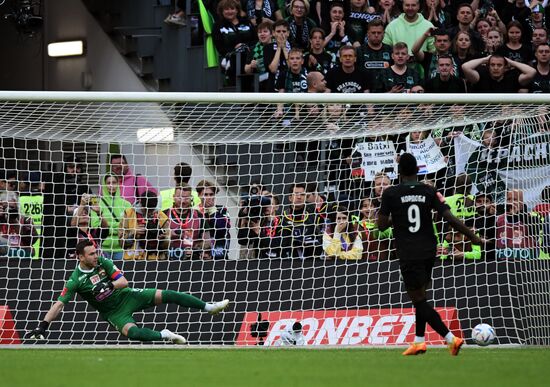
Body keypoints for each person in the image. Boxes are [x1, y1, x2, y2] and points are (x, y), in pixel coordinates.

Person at [377, 153, 483, 356]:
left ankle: (451, 339)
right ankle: (419, 341)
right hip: (429, 250)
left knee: (417, 299)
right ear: (418, 171)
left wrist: (397, 215)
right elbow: (449, 218)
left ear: (399, 173)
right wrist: (473, 237)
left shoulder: (390, 194)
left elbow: (381, 226)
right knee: (422, 296)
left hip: (408, 252)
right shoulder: (429, 191)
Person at [28, 240, 230, 343]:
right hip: (113, 312)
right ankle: (165, 335)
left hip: (128, 296)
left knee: (167, 294)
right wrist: (43, 326)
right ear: (80, 257)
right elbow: (60, 304)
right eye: (91, 254)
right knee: (132, 333)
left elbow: (123, 282)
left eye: (96, 251)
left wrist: (109, 286)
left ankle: (209, 307)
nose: (96, 255)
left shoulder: (103, 262)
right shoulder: (74, 281)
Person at [119, 190, 170, 260]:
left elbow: (167, 244)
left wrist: (163, 240)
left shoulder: (162, 217)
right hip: (132, 259)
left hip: (155, 259)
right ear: (140, 202)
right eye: (146, 209)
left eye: (151, 210)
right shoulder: (128, 214)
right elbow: (121, 243)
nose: (149, 213)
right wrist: (133, 233)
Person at [98, 174, 132, 260]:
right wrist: (119, 226)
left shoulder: (126, 204)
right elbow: (96, 225)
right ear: (104, 185)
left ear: (118, 184)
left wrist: (107, 226)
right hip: (103, 248)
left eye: (114, 182)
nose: (111, 185)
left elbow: (129, 226)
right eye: (108, 183)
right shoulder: (97, 203)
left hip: (121, 248)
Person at [462, 54, 537, 92]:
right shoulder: (481, 76)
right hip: (483, 116)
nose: (495, 68)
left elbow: (532, 72)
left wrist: (511, 62)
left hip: (507, 116)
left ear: (505, 67)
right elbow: (465, 67)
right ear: (488, 66)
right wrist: (485, 59)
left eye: (499, 65)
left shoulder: (512, 77)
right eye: (492, 65)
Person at [196, 179, 231, 259]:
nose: (209, 197)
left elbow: (224, 229)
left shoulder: (222, 210)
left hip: (218, 252)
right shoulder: (194, 212)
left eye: (211, 194)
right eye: (205, 194)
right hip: (198, 253)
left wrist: (212, 211)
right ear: (199, 195)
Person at [0, 190, 37, 258]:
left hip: (21, 258)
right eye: (5, 207)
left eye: (12, 207)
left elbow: (32, 240)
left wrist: (14, 221)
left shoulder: (25, 220)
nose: (8, 210)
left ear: (17, 206)